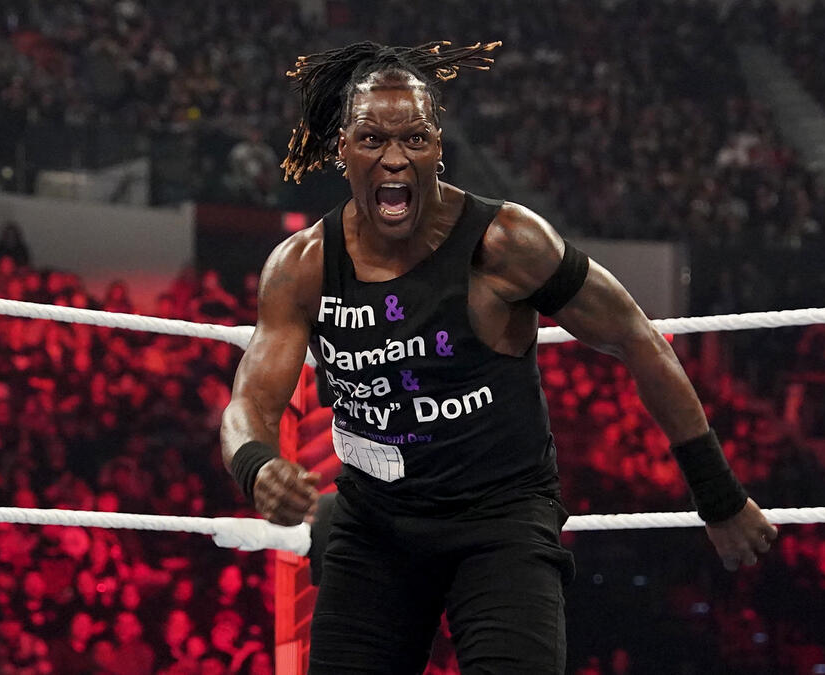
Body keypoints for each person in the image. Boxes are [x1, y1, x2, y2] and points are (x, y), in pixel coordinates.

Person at [219, 41, 778, 674]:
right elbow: (250, 403)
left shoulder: (506, 244)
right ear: (342, 149)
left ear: (437, 148)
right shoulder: (303, 266)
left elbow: (635, 337)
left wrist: (717, 493)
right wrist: (258, 466)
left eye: (414, 139)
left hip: (500, 521)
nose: (395, 158)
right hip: (374, 524)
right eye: (372, 139)